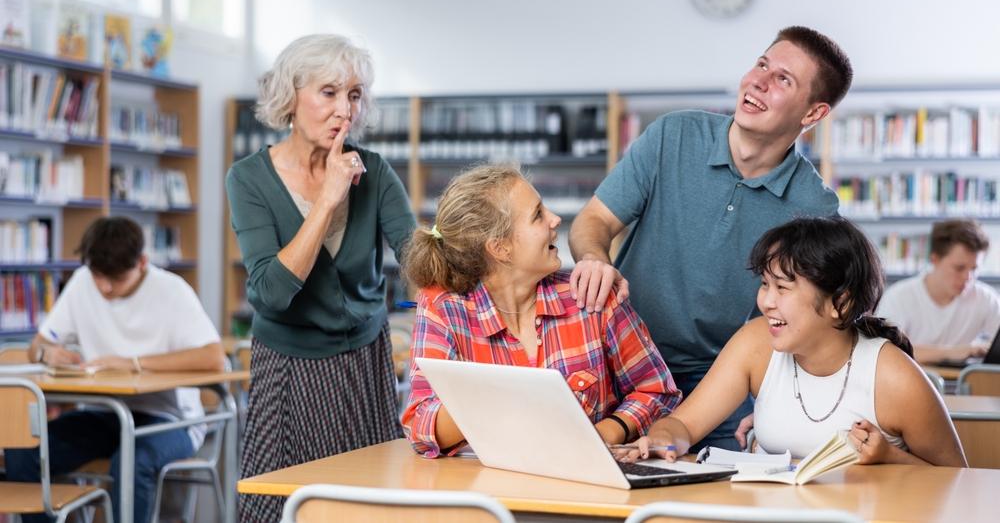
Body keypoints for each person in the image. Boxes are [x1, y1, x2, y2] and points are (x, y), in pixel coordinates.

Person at [568, 26, 848, 450]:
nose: (758, 81)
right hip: (619, 358)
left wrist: (785, 396)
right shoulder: (673, 136)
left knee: (710, 507)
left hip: (721, 384)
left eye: (783, 80)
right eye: (761, 64)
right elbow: (593, 221)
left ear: (812, 114)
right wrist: (594, 258)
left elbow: (820, 322)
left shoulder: (817, 210)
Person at [226, 34, 416, 521]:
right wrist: (328, 197)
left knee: (369, 504)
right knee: (280, 508)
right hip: (288, 370)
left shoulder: (374, 170)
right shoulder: (247, 179)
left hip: (364, 367)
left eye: (353, 95)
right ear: (290, 98)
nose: (344, 110)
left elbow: (419, 260)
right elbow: (270, 293)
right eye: (328, 92)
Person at [618, 216, 966, 467]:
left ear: (839, 303)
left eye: (782, 288)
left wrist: (891, 458)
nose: (766, 301)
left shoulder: (893, 377)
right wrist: (663, 439)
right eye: (765, 284)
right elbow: (683, 425)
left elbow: (958, 481)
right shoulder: (756, 344)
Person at [400, 163, 680, 458]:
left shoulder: (592, 298)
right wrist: (499, 395)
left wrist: (602, 435)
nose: (555, 219)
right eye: (537, 215)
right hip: (493, 490)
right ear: (499, 248)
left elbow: (657, 390)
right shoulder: (443, 309)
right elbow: (420, 426)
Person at [4, 216, 226, 523]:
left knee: (133, 460)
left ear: (143, 262)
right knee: (24, 452)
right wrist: (47, 351)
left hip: (170, 419)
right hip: (107, 414)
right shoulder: (83, 282)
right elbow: (38, 343)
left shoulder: (172, 291)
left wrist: (133, 363)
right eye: (98, 275)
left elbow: (215, 358)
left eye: (117, 278)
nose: (105, 287)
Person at [877, 219, 1000, 364]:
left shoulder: (985, 298)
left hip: (964, 384)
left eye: (974, 269)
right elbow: (887, 351)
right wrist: (959, 352)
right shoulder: (899, 297)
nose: (968, 278)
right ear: (935, 260)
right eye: (959, 268)